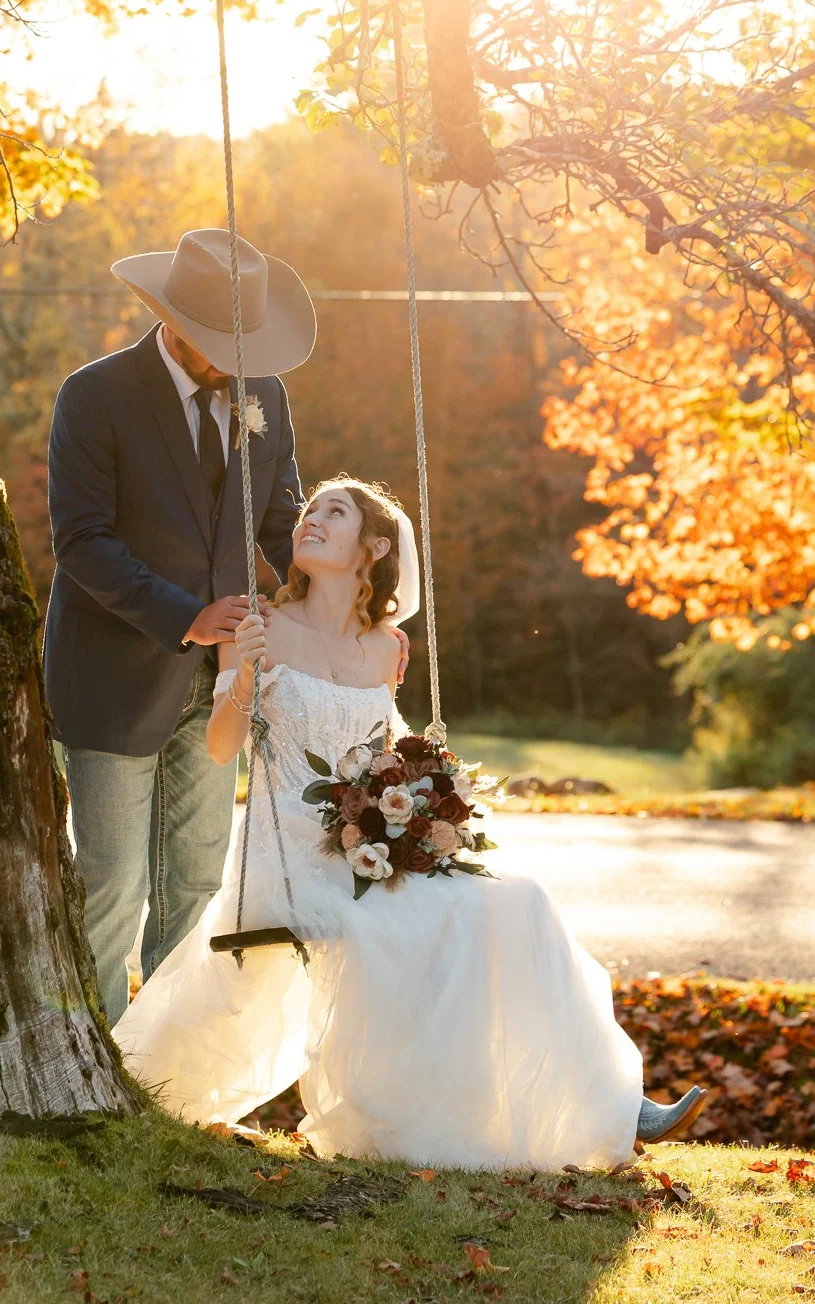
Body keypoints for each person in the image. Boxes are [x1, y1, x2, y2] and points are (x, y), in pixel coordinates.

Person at [114, 478, 708, 1170]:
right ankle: (392, 1119)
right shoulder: (256, 624)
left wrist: (428, 810)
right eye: (308, 512)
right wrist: (243, 674)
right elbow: (220, 749)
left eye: (331, 513)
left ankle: (609, 1104)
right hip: (288, 856)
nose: (310, 521)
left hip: (370, 847)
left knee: (515, 901)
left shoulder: (382, 646)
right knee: (390, 929)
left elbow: (383, 753)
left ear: (372, 547)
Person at [43, 228, 315, 1023]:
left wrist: (340, 606)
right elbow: (80, 541)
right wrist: (184, 617)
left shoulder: (265, 392)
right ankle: (96, 1060)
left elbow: (281, 519)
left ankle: (169, 1067)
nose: (236, 362)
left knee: (195, 882)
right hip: (112, 678)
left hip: (224, 684)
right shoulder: (94, 395)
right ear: (173, 323)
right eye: (220, 344)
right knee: (111, 885)